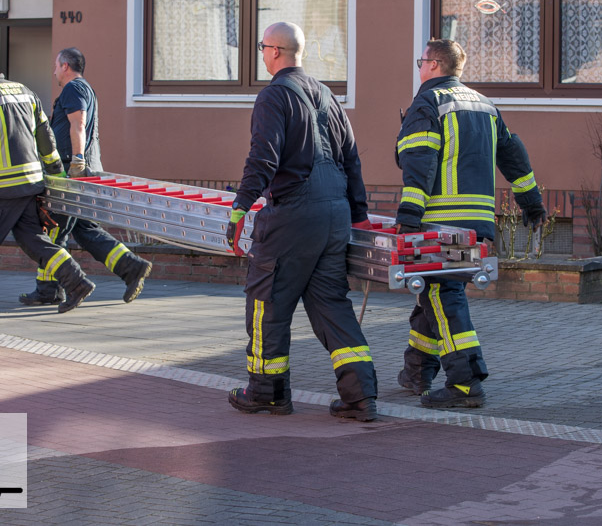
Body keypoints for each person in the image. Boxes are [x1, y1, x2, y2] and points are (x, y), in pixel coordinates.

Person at [225, 22, 379, 421]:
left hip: (293, 216)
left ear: (275, 51)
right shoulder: (327, 95)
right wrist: (359, 216)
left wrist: (240, 208)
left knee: (267, 301)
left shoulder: (273, 96)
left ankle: (267, 392)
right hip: (335, 216)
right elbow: (351, 159)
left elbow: (263, 156)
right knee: (331, 305)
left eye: (262, 47)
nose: (262, 53)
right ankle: (360, 396)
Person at [395, 39, 545, 409]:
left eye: (421, 61)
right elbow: (513, 155)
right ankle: (417, 371)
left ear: (434, 64)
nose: (419, 67)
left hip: (439, 221)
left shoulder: (428, 103)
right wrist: (532, 202)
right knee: (436, 293)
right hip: (475, 223)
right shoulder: (484, 104)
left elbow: (419, 162)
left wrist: (409, 218)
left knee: (441, 294)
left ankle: (465, 383)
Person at [0, 51, 95, 314]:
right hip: (31, 183)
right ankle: (77, 282)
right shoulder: (25, 92)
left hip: (1, 186)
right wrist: (56, 173)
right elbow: (46, 137)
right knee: (34, 240)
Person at [19, 48, 151, 306]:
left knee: (54, 228)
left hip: (72, 171)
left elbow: (78, 123)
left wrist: (77, 162)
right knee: (84, 228)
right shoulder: (84, 89)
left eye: (56, 66)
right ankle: (131, 267)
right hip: (81, 170)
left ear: (65, 66)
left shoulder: (74, 88)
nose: (54, 72)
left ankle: (48, 289)